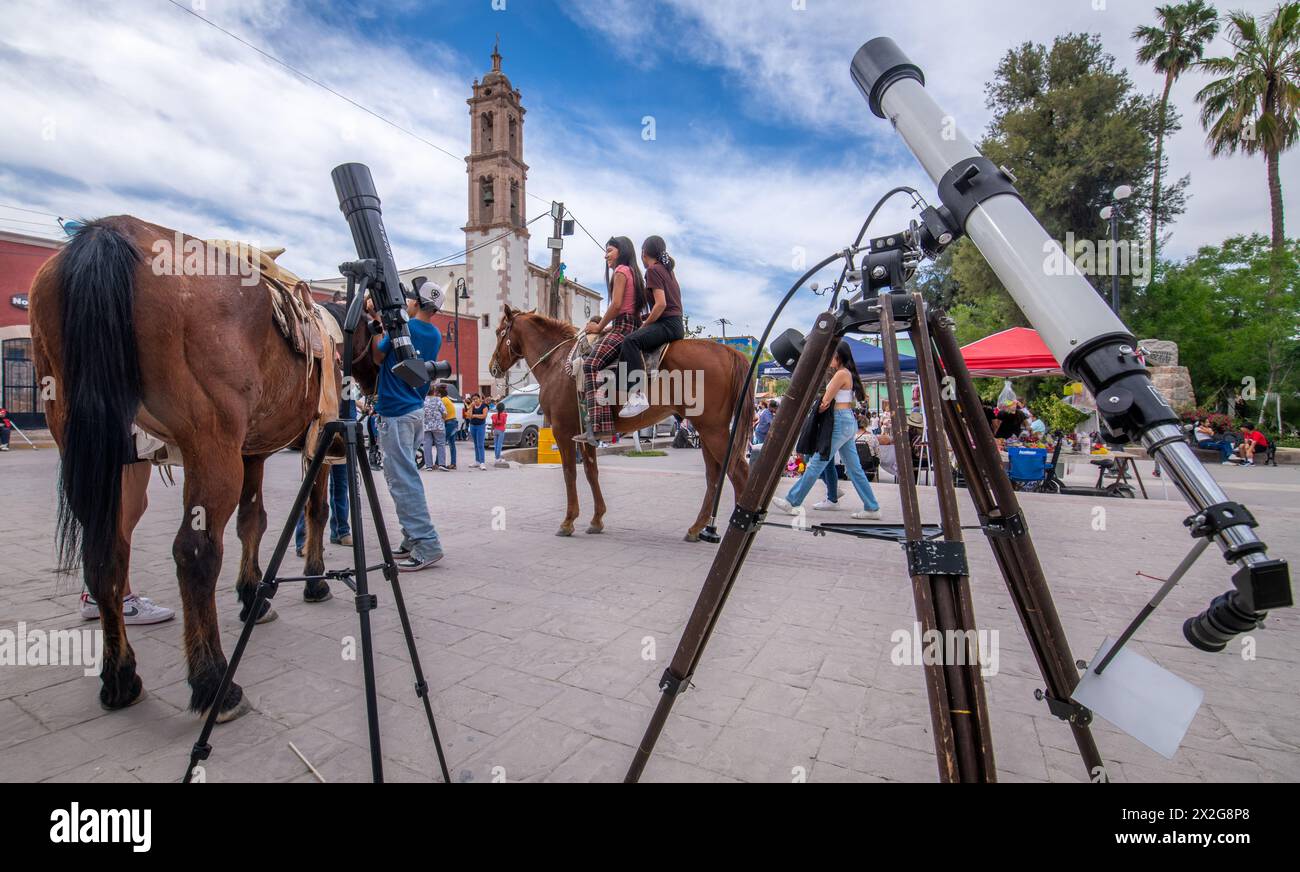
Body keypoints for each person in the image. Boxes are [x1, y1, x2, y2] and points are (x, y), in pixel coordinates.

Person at [368, 280, 445, 571]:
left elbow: (378, 356)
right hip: (414, 410)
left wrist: (377, 322)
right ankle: (410, 538)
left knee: (402, 481)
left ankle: (426, 544)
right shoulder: (434, 334)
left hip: (396, 412)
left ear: (416, 303)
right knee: (407, 476)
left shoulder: (407, 328)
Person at [772, 341, 882, 519]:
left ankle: (792, 501)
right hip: (847, 420)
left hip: (838, 421)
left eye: (831, 354)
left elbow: (825, 401)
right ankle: (872, 507)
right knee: (854, 469)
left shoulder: (840, 374)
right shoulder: (848, 374)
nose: (829, 358)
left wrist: (820, 407)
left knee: (817, 462)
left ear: (838, 356)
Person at [575, 236, 644, 445]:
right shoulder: (633, 273)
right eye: (605, 251)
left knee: (590, 365)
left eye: (610, 250)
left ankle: (599, 428)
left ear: (621, 251)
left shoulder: (621, 271)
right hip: (629, 325)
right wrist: (606, 328)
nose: (606, 255)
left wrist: (597, 326)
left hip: (622, 328)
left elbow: (615, 306)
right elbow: (627, 309)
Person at [620, 236, 685, 417]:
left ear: (643, 253)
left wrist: (645, 325)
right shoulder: (668, 272)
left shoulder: (653, 270)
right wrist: (646, 317)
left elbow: (661, 304)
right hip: (676, 322)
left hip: (668, 324)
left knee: (630, 341)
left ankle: (637, 396)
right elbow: (669, 306)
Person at [422, 389, 448, 472]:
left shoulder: (422, 400)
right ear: (434, 392)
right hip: (438, 425)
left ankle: (428, 465)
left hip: (426, 426)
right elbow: (444, 412)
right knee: (440, 444)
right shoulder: (438, 399)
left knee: (427, 445)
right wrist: (442, 419)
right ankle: (441, 464)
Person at [468, 393, 489, 469]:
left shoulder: (484, 406)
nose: (475, 400)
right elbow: (469, 416)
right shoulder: (472, 406)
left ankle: (482, 462)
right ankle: (477, 461)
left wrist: (475, 416)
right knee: (476, 444)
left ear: (479, 399)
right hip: (473, 426)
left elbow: (484, 416)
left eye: (476, 398)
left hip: (480, 426)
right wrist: (470, 406)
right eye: (473, 399)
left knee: (480, 444)